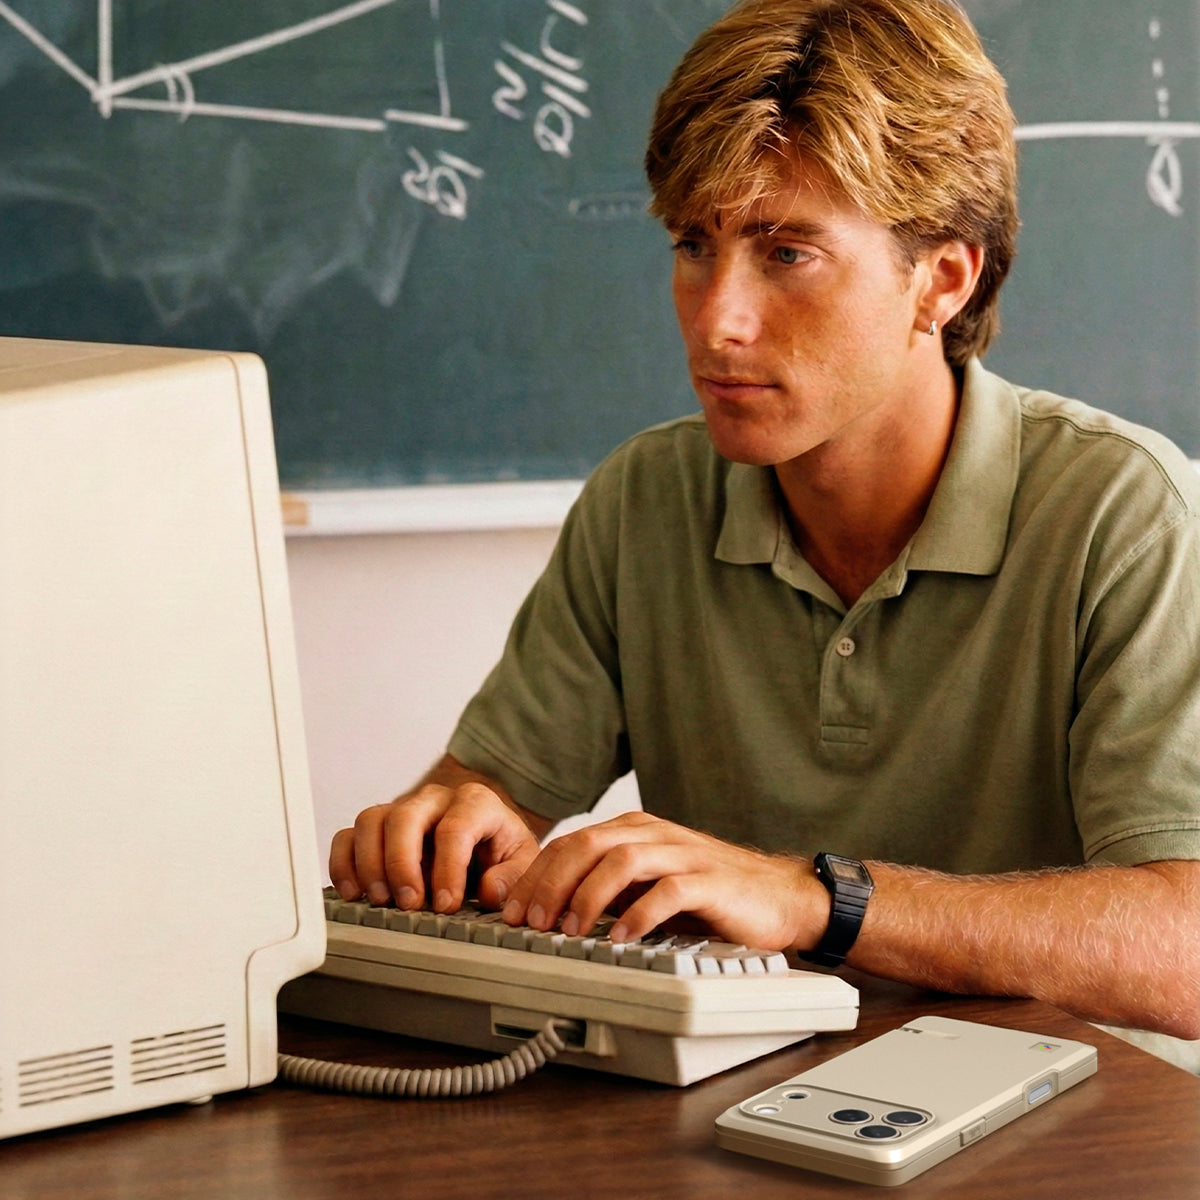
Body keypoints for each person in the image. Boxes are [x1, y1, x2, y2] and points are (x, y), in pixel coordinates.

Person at [330, 0, 1200, 1057]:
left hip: (1073, 1128)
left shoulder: (1127, 510)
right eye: (695, 246)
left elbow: (1184, 945)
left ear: (943, 278)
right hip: (751, 1103)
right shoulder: (645, 498)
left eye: (787, 253)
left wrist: (816, 901)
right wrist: (445, 833)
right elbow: (487, 796)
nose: (716, 318)